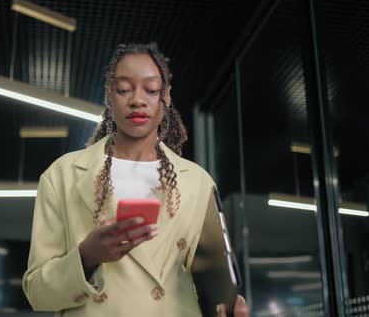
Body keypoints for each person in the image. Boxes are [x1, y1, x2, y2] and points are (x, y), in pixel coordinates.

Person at [22, 42, 249, 317]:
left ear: (166, 96)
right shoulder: (62, 175)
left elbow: (210, 284)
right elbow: (37, 293)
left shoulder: (198, 182)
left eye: (151, 90)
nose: (137, 100)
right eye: (124, 89)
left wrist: (228, 308)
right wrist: (86, 256)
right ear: (109, 95)